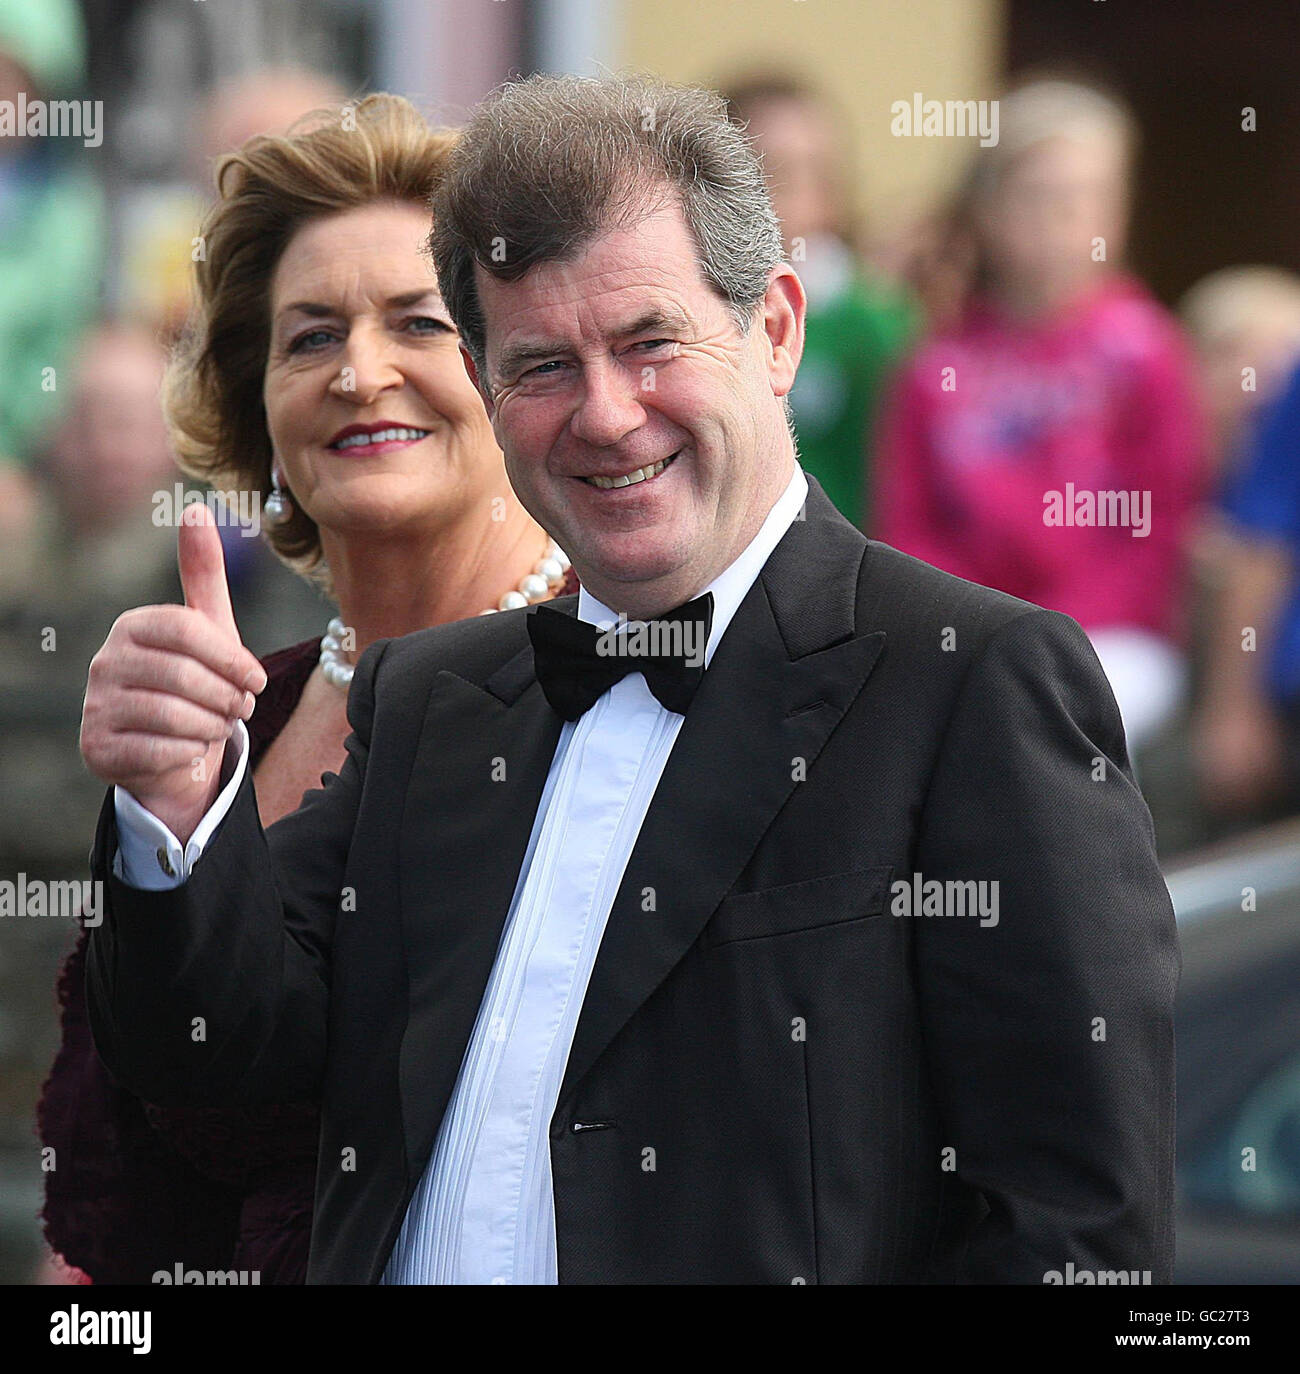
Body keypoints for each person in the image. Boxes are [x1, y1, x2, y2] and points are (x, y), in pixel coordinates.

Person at [80, 74, 1176, 1284]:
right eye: (543, 366)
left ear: (774, 330)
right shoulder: (431, 698)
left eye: (650, 343)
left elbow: (1074, 1235)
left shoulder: (973, 683)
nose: (605, 415)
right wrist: (174, 813)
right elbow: (226, 1056)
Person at [39, 93, 573, 1286]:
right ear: (257, 411)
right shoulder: (228, 713)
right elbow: (121, 1144)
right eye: (310, 336)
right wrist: (158, 817)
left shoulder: (613, 681)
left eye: (421, 323)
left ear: (521, 373)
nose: (360, 371)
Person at [877, 77, 1206, 757]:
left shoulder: (1146, 352)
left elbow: (1159, 530)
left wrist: (1048, 634)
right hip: (960, 627)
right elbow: (908, 526)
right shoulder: (935, 362)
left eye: (1089, 195)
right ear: (987, 210)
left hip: (1109, 638)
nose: (1065, 218)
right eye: (1040, 196)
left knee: (1054, 719)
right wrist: (971, 625)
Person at [723, 74, 915, 530]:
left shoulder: (880, 322)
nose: (797, 193)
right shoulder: (701, 314)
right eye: (775, 171)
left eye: (815, 171)